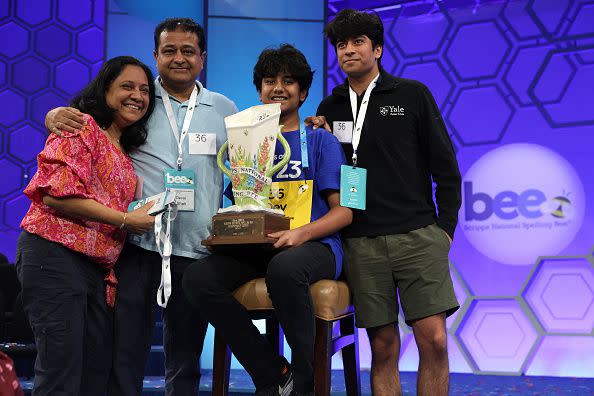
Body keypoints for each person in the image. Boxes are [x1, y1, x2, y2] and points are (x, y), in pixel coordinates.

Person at [44, 18, 238, 395]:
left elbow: (246, 167)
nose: (178, 58)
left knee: (185, 358)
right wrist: (53, 116)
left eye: (187, 51)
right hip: (137, 248)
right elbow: (89, 124)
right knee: (125, 353)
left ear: (202, 57)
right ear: (156, 56)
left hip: (198, 251)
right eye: (169, 51)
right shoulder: (139, 101)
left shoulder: (225, 109)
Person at [182, 44, 352, 396]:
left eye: (288, 81)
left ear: (303, 92)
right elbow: (244, 206)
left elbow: (345, 212)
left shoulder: (323, 140)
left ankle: (303, 385)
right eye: (269, 80)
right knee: (198, 277)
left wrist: (301, 234)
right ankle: (273, 371)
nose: (278, 88)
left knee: (285, 269)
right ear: (258, 90)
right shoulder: (247, 142)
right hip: (260, 246)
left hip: (316, 246)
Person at [311, 9, 462, 396]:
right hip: (360, 242)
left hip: (417, 236)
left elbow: (446, 167)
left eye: (358, 42)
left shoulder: (412, 94)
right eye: (341, 45)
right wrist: (318, 137)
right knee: (382, 347)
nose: (348, 51)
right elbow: (329, 172)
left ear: (376, 49)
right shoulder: (330, 108)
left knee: (435, 341)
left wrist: (444, 231)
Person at [16, 56, 157, 396]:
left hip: (96, 271)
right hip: (53, 256)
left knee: (93, 375)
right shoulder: (81, 127)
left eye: (144, 90)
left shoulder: (125, 151)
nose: (137, 95)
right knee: (61, 373)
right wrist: (126, 220)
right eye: (126, 86)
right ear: (105, 88)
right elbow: (55, 196)